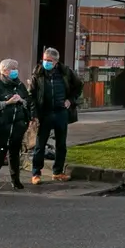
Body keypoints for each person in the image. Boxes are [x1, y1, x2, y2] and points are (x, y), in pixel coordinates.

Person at [28, 47, 83, 185]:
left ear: (56, 62)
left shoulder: (65, 73)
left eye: (49, 60)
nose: (46, 62)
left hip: (60, 112)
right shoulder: (38, 74)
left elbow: (78, 86)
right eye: (44, 59)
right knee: (40, 144)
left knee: (61, 144)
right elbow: (32, 95)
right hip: (44, 113)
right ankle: (36, 173)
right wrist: (33, 114)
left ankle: (57, 172)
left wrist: (70, 100)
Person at [0, 58, 32, 192]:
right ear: (4, 71)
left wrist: (21, 100)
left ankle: (16, 180)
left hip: (17, 126)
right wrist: (7, 103)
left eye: (16, 68)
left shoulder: (20, 85)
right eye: (13, 69)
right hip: (2, 126)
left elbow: (28, 101)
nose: (16, 71)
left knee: (15, 154)